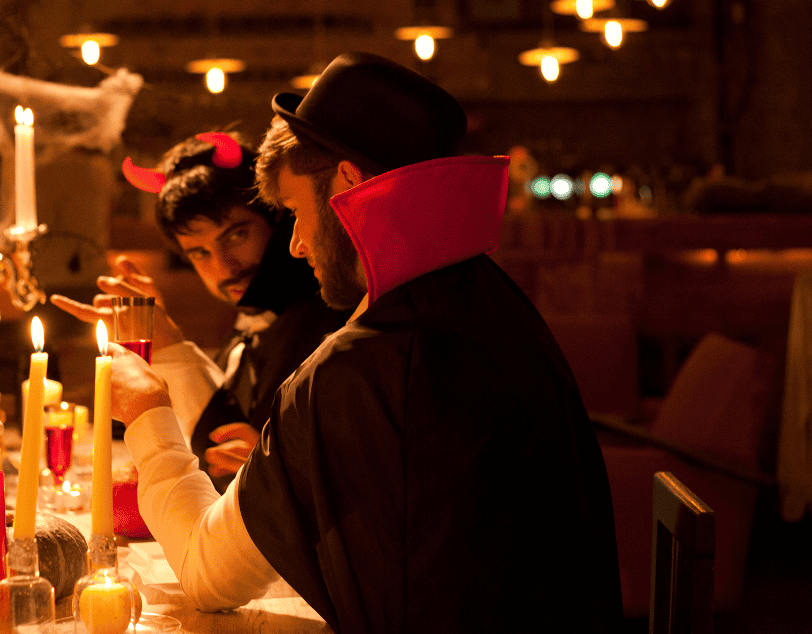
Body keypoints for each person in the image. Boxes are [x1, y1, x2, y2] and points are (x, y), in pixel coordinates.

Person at [105, 53, 624, 633]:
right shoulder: (500, 305)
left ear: (349, 185)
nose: (296, 244)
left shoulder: (356, 368)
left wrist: (148, 410)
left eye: (297, 212)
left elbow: (205, 573)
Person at [51, 132, 344, 489]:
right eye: (199, 253)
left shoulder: (327, 324)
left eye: (236, 236)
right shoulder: (248, 328)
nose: (223, 266)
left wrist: (169, 344)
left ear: (279, 219)